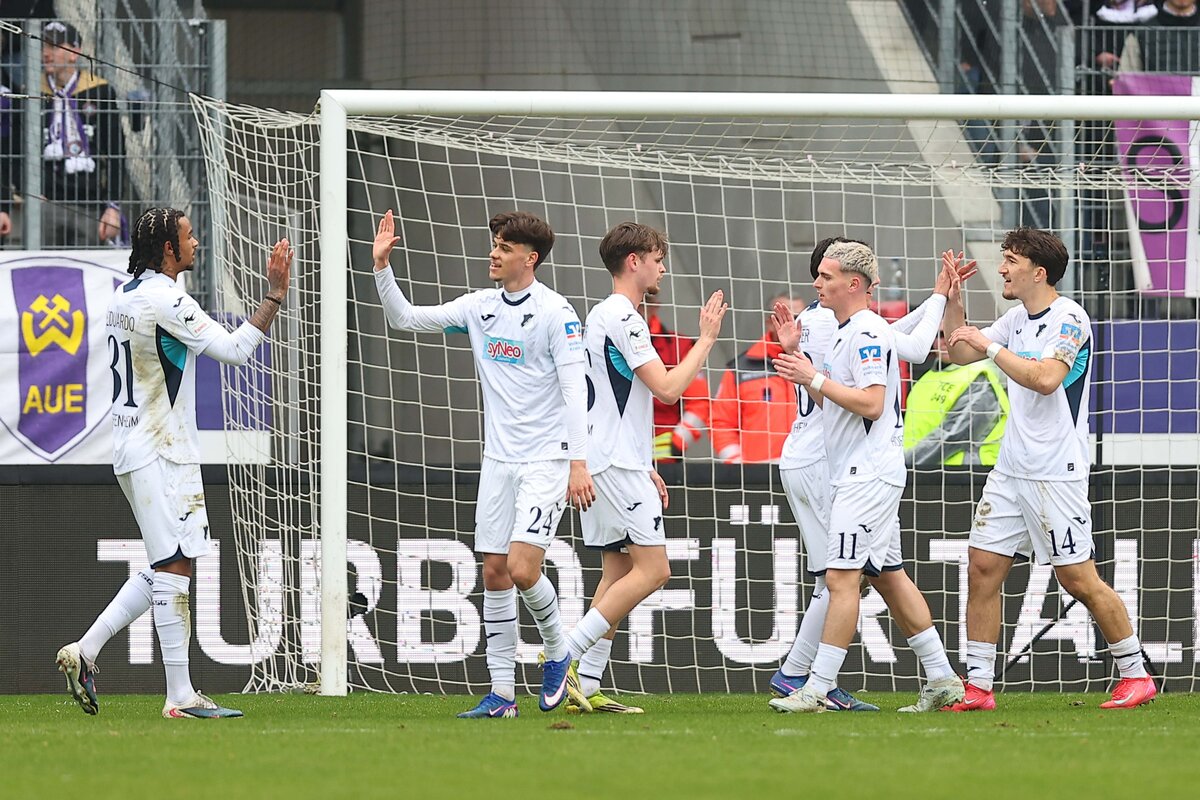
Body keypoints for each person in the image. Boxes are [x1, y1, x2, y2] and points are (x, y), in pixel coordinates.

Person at [55, 207, 292, 718]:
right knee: (173, 566)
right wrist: (274, 295)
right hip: (160, 450)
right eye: (188, 236)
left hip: (134, 447)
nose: (195, 242)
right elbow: (234, 351)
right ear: (168, 249)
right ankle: (179, 696)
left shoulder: (124, 294)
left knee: (170, 562)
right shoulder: (167, 300)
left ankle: (86, 650)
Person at [372, 209, 593, 719]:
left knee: (522, 568)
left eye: (504, 247)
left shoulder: (556, 313)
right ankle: (502, 695)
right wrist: (383, 267)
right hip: (498, 461)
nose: (493, 253)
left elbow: (574, 392)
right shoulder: (479, 307)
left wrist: (578, 463)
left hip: (545, 460)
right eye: (494, 243)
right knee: (494, 572)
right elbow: (405, 318)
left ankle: (557, 652)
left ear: (530, 259)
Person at [941, 228, 1156, 711]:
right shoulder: (1016, 317)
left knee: (1078, 579)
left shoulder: (1070, 318)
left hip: (1056, 470)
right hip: (1012, 468)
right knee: (982, 567)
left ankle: (1136, 674)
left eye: (1011, 261)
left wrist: (989, 346)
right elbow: (958, 353)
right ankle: (978, 686)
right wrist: (954, 303)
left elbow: (1045, 379)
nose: (1002, 268)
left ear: (1038, 272)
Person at [768, 237, 975, 710]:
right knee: (890, 576)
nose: (816, 284)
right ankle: (943, 678)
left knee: (841, 580)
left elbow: (873, 403)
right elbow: (833, 401)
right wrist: (805, 370)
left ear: (852, 283)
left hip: (866, 475)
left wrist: (812, 375)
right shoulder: (849, 329)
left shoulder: (863, 330)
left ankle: (814, 685)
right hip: (850, 470)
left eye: (825, 276)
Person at [561, 222, 726, 714]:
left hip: (612, 458)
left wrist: (646, 464)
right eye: (657, 259)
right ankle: (563, 655)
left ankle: (587, 684)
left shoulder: (607, 315)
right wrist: (706, 339)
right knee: (654, 570)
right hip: (614, 463)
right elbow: (668, 389)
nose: (663, 268)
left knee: (617, 573)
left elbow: (621, 401)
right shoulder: (624, 317)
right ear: (633, 261)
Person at [0, 20, 125, 246]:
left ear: (74, 52)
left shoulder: (100, 91)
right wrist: (25, 189)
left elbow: (117, 153)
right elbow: (14, 151)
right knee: (41, 266)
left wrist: (112, 206)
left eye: (54, 47)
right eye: (43, 46)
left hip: (90, 204)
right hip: (44, 204)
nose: (46, 53)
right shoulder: (29, 92)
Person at [710, 294, 805, 463]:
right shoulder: (740, 369)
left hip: (810, 468)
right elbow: (721, 423)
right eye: (786, 317)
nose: (794, 323)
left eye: (800, 318)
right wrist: (738, 465)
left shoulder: (817, 362)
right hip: (759, 472)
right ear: (770, 322)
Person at [645, 296, 711, 462]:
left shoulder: (679, 346)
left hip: (662, 458)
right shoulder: (606, 340)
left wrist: (678, 442)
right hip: (614, 450)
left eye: (643, 302)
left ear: (655, 306)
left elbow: (699, 403)